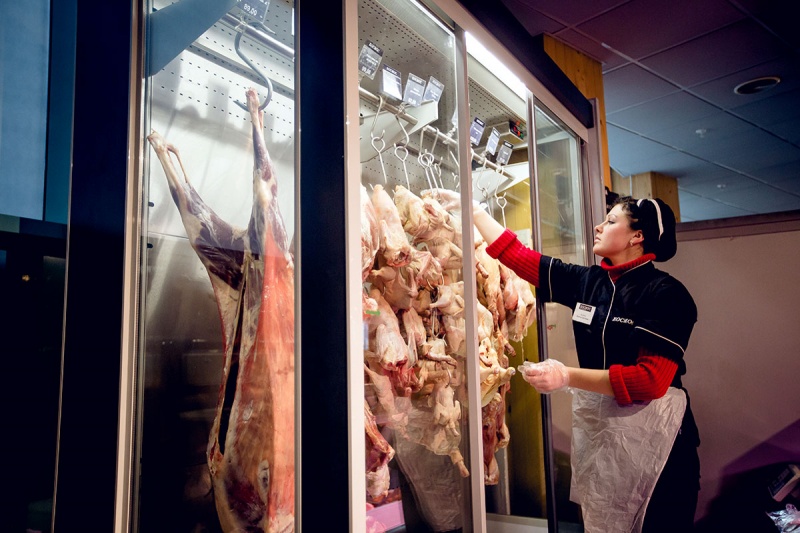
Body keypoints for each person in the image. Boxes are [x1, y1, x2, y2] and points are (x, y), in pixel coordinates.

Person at [435, 190, 700, 533]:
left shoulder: (667, 294)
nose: (598, 226)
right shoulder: (589, 281)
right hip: (603, 427)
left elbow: (649, 381)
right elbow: (519, 256)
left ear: (637, 236)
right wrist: (473, 210)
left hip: (658, 441)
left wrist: (565, 376)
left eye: (611, 221)